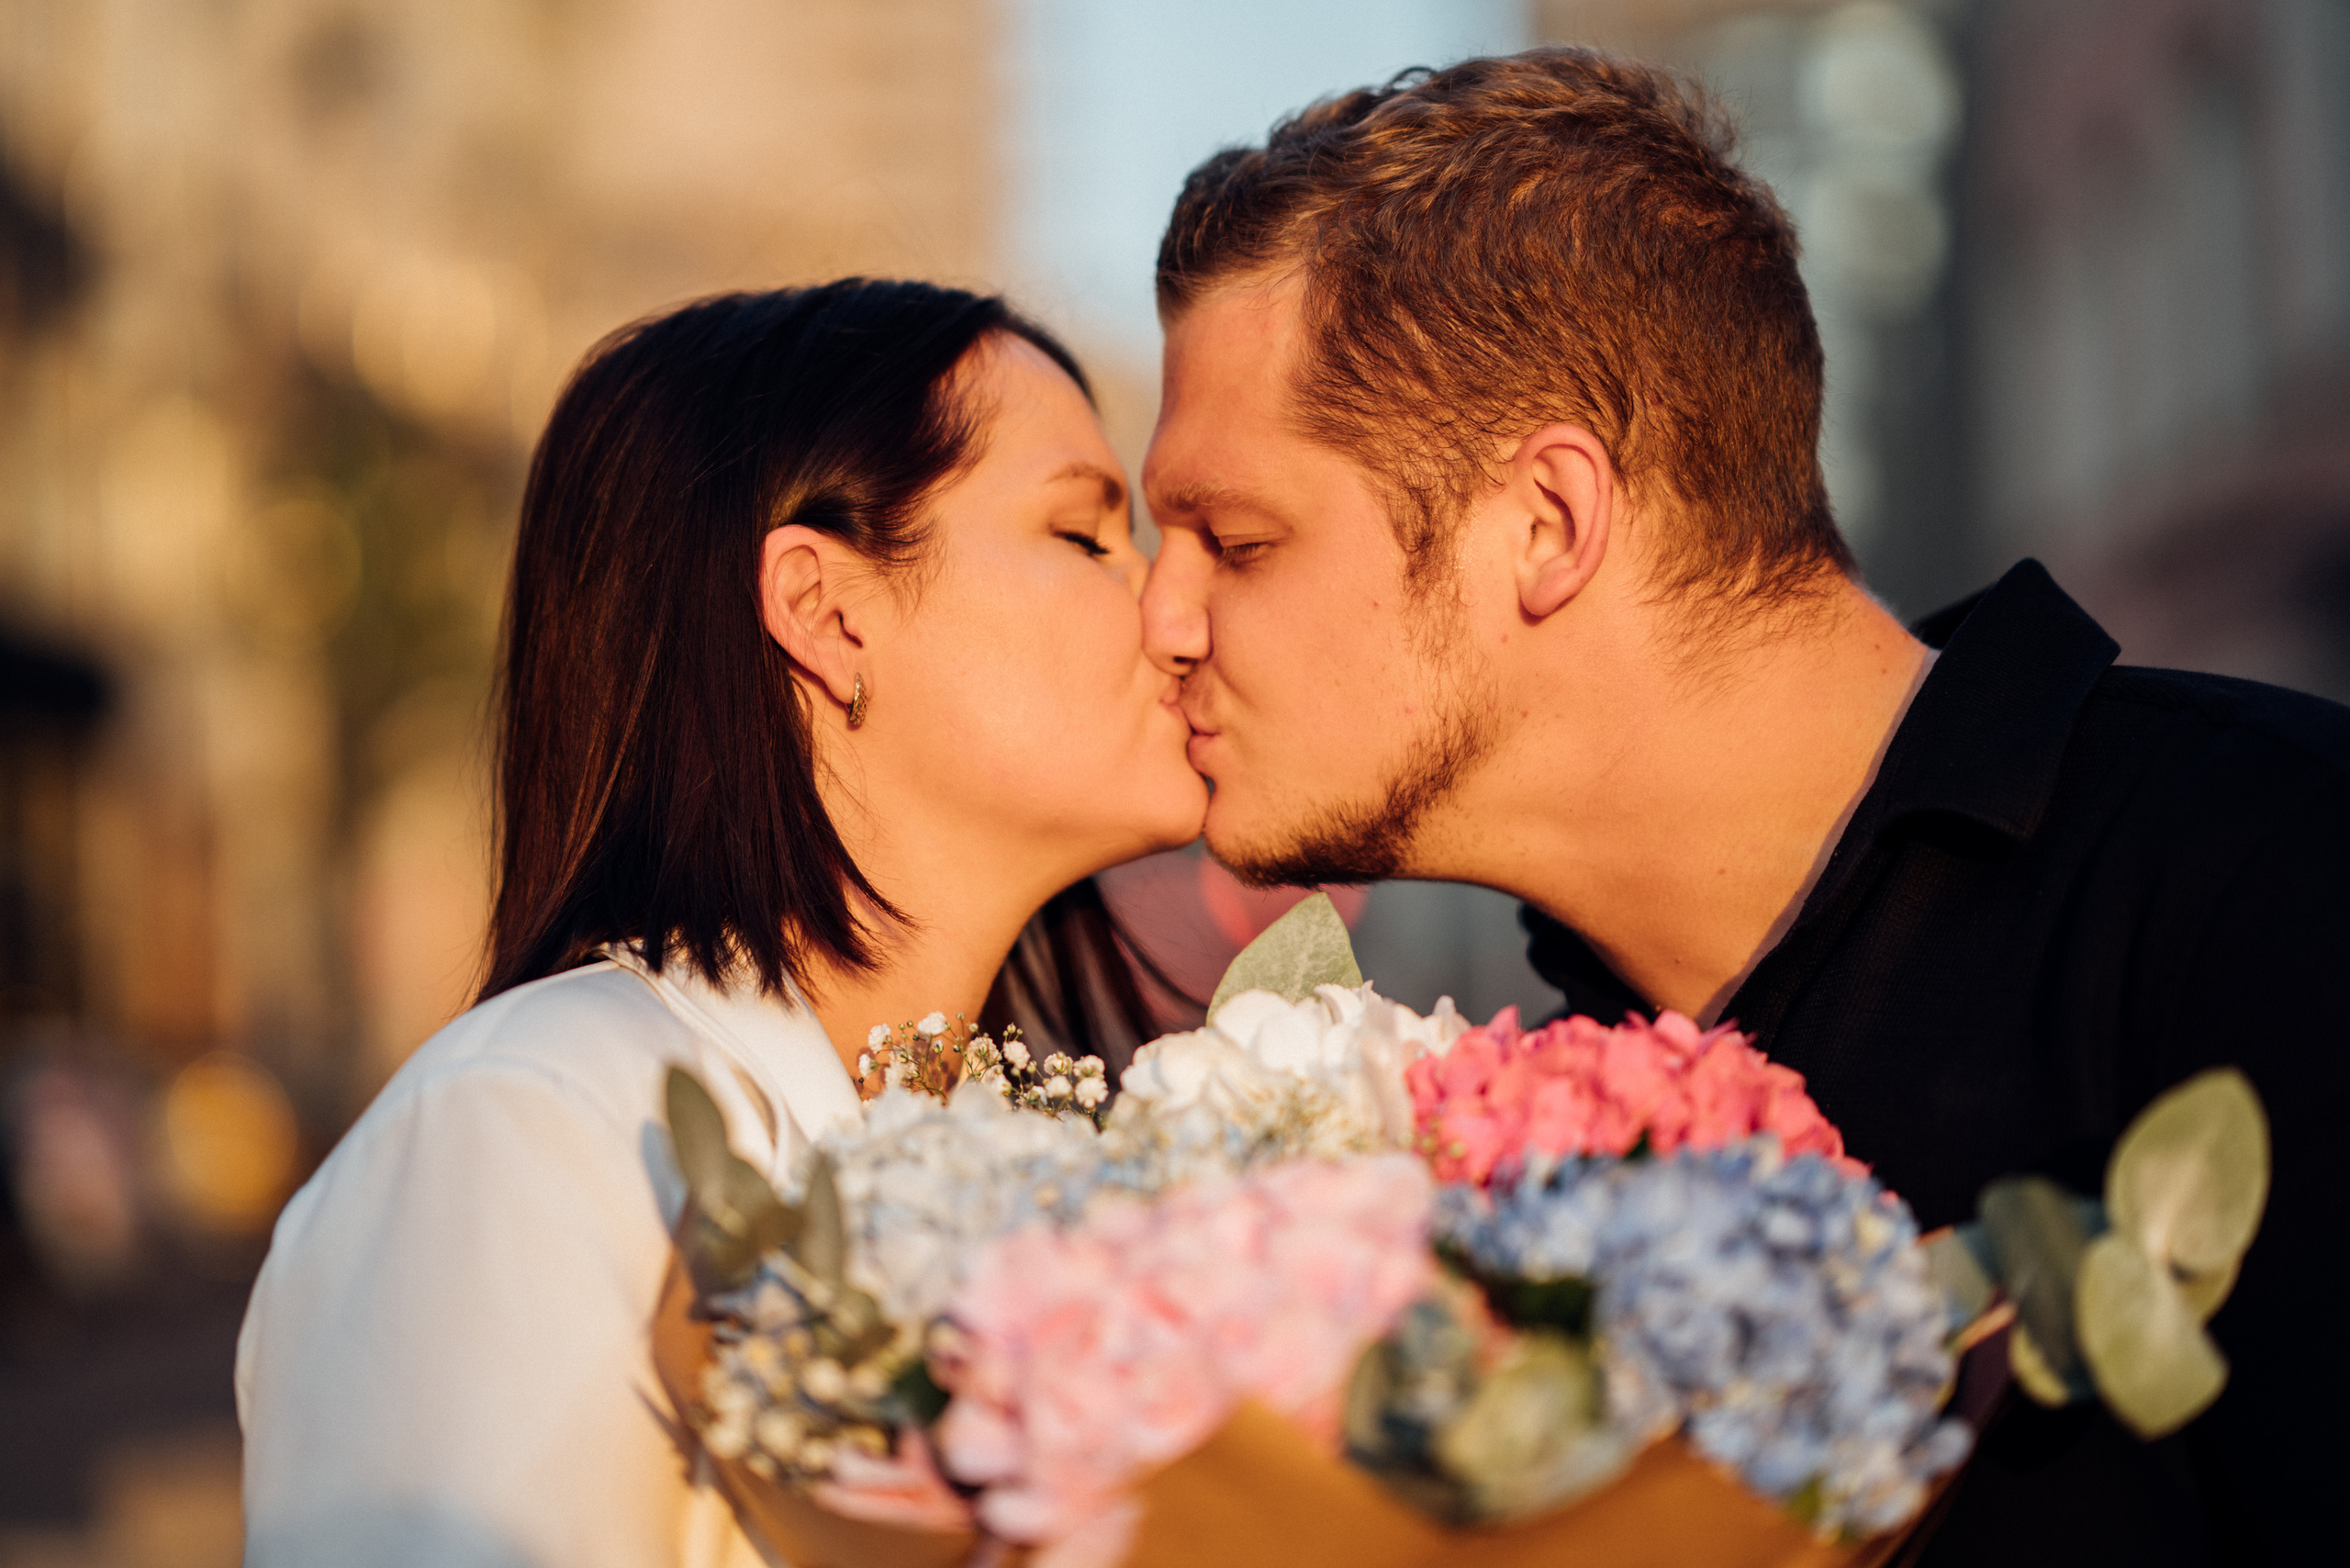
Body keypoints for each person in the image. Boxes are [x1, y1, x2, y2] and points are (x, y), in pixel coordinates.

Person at [1138, 49, 2343, 1567]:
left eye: (1232, 541)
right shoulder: (1464, 1103)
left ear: (1548, 524)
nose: (1160, 617)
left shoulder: (2276, 891)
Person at [237, 279, 1205, 1567]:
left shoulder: (1076, 1154)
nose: (1170, 610)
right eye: (1087, 536)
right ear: (826, 610)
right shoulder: (536, 1125)